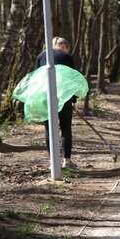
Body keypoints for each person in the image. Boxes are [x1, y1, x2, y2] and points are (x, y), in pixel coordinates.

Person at [35, 36, 77, 169]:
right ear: (64, 47)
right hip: (63, 97)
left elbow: (37, 78)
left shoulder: (41, 57)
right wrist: (73, 99)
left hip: (45, 97)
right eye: (65, 47)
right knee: (65, 128)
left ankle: (53, 161)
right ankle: (67, 161)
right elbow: (73, 78)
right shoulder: (67, 58)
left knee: (49, 129)